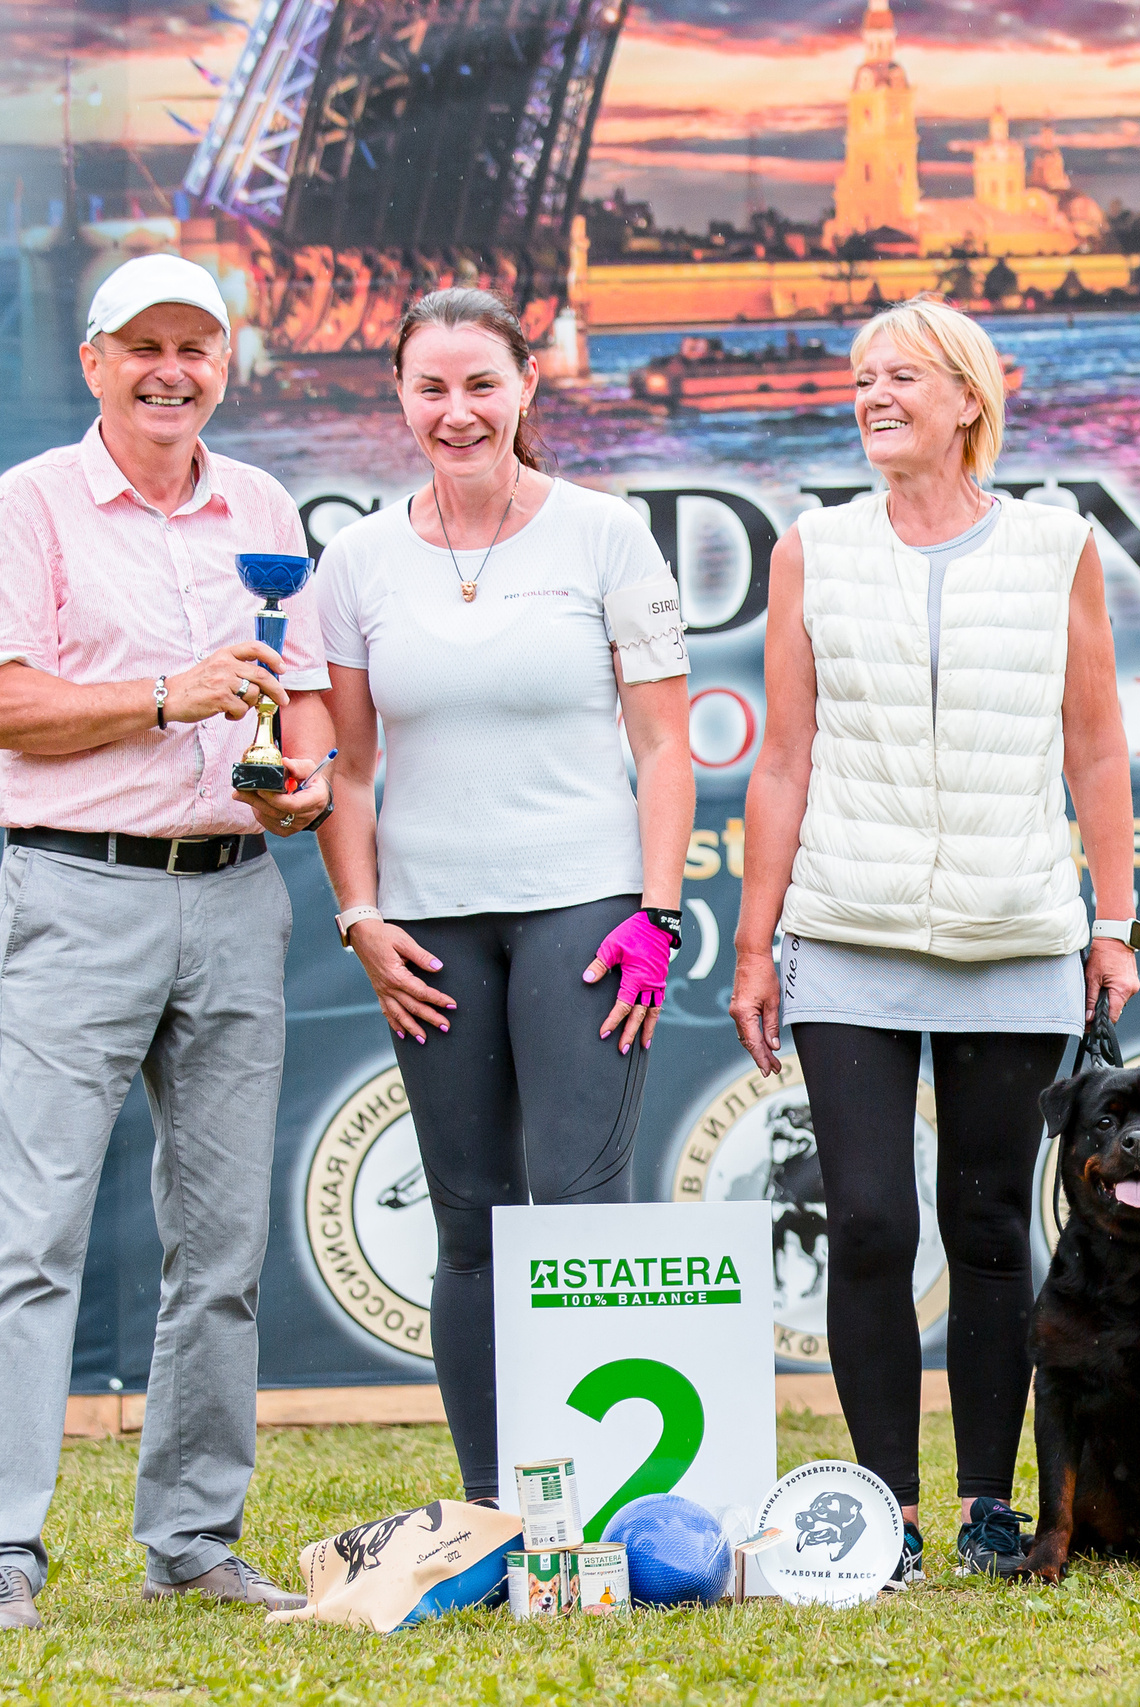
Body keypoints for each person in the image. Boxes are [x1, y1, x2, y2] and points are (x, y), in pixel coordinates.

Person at [0, 254, 335, 1632]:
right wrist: (168, 696)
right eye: (147, 346)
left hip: (237, 888)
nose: (175, 369)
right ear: (97, 360)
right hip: (77, 889)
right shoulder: (31, 504)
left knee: (220, 1246)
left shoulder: (266, 504)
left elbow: (305, 709)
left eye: (199, 347)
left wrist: (306, 782)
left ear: (226, 363)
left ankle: (193, 1535)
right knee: (35, 1232)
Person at [727, 297, 1140, 1584]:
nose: (873, 396)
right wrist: (755, 944)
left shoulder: (1058, 544)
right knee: (861, 1222)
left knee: (984, 1227)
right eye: (861, 379)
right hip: (846, 931)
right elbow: (783, 758)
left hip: (1014, 934)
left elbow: (1094, 747)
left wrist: (1110, 923)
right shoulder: (812, 549)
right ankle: (882, 1512)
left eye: (900, 376)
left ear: (968, 398)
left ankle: (981, 1505)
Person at [311, 288, 694, 1505]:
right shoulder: (358, 560)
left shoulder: (605, 536)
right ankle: (497, 1511)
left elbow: (669, 749)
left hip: (585, 909)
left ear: (528, 385)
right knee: (470, 1226)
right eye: (432, 387)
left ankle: (599, 1508)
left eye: (481, 384)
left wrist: (661, 910)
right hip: (427, 932)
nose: (457, 411)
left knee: (578, 1219)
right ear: (401, 399)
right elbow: (349, 767)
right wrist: (359, 918)